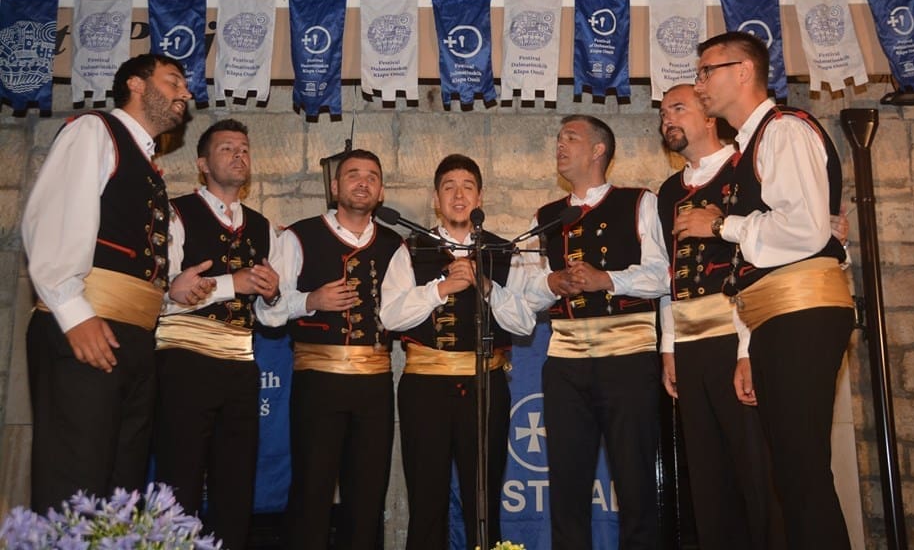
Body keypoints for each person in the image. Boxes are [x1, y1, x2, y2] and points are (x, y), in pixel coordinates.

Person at [676, 31, 855, 550]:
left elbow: (803, 230)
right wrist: (748, 346)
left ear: (744, 71)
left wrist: (719, 225)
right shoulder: (750, 147)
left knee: (801, 472)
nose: (699, 84)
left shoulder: (784, 130)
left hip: (803, 310)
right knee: (791, 474)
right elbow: (765, 259)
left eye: (707, 71)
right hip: (775, 315)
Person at [21, 53, 212, 511]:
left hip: (134, 339)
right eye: (173, 81)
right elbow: (53, 222)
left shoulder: (147, 167)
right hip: (91, 328)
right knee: (75, 482)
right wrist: (74, 315)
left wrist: (168, 293)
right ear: (136, 84)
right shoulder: (95, 131)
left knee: (119, 489)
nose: (185, 93)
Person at [522, 115, 670, 550]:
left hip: (628, 357)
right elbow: (526, 290)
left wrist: (607, 280)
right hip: (566, 362)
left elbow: (664, 274)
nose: (560, 145)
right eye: (558, 138)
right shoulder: (546, 217)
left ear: (598, 150)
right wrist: (552, 283)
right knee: (567, 486)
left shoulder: (638, 202)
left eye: (571, 137)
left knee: (635, 481)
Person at [380, 154, 535, 549]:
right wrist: (441, 289)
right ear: (436, 199)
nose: (459, 195)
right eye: (449, 187)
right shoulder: (411, 249)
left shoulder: (503, 251)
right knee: (426, 499)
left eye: (467, 187)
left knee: (482, 500)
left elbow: (524, 323)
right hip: (425, 387)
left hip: (486, 385)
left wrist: (486, 286)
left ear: (480, 198)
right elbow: (390, 316)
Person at [657, 83, 785, 550]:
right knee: (707, 478)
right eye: (662, 113)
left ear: (710, 115)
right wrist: (669, 346)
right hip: (690, 346)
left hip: (738, 336)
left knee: (756, 470)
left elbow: (765, 261)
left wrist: (749, 349)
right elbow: (669, 274)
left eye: (678, 108)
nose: (667, 119)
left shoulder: (744, 169)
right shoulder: (668, 191)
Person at [258, 149, 405, 550]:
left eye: (372, 176)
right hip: (318, 381)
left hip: (375, 383)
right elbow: (266, 311)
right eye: (353, 174)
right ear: (335, 186)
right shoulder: (297, 236)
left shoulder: (395, 244)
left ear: (381, 191)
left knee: (368, 494)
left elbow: (403, 310)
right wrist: (312, 300)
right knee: (312, 490)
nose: (363, 182)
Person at [153, 118, 281, 549]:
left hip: (241, 363)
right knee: (180, 477)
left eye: (244, 148)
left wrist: (272, 295)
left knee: (236, 482)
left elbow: (273, 317)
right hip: (184, 358)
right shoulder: (176, 213)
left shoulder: (263, 226)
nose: (238, 155)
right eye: (227, 148)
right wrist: (233, 283)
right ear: (202, 164)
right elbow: (164, 292)